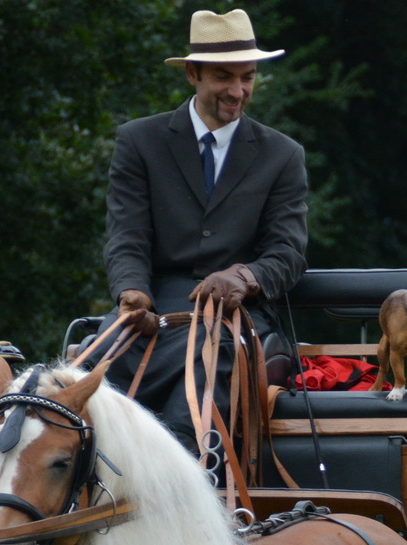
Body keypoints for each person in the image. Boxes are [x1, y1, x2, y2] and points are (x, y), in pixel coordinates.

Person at [102, 8, 309, 449]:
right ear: (192, 74)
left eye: (247, 78)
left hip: (241, 315)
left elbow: (287, 253)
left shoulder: (282, 155)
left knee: (212, 354)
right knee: (94, 360)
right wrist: (130, 292)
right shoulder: (139, 142)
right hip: (156, 306)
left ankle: (186, 463)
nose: (237, 92)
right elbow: (127, 235)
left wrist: (242, 276)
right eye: (223, 77)